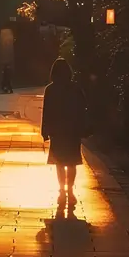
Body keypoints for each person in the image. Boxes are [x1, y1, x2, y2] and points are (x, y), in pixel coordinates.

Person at [41, 58, 87, 204]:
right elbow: (83, 108)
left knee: (59, 162)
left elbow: (46, 111)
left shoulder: (50, 89)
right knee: (72, 161)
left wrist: (45, 130)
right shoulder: (75, 88)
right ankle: (70, 191)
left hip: (57, 131)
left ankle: (62, 191)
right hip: (72, 130)